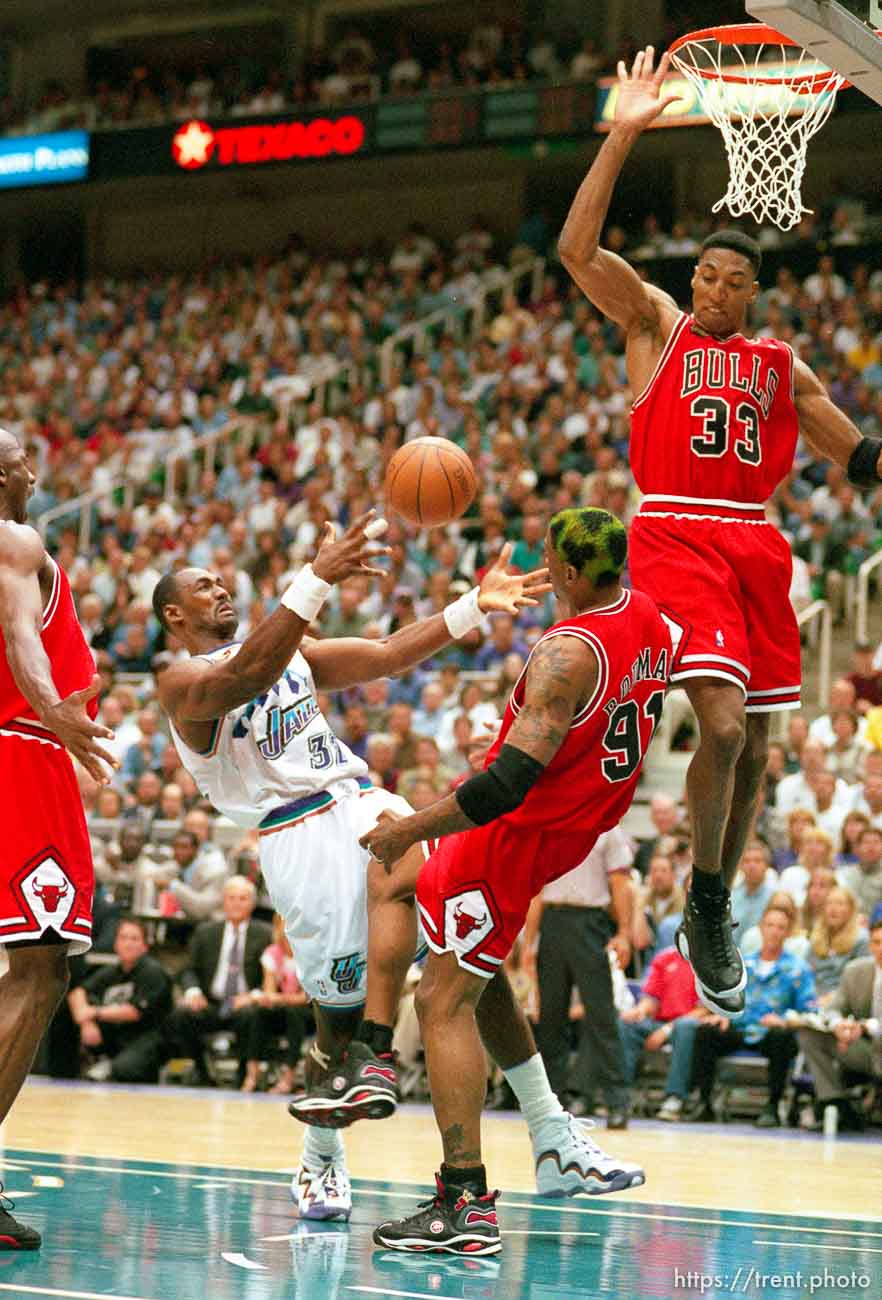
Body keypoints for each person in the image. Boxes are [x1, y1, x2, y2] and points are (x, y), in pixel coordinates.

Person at [557, 46, 882, 1017]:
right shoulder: (656, 326)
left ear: (751, 291)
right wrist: (622, 132)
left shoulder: (784, 366)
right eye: (701, 272)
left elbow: (857, 456)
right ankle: (704, 893)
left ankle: (711, 897)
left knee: (762, 755)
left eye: (728, 278)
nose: (709, 287)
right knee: (726, 727)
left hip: (754, 542)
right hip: (671, 535)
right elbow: (577, 252)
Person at [153, 510, 551, 1223]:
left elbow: (388, 652)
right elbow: (247, 672)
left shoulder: (290, 652)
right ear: (172, 616)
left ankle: (536, 1120)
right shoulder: (181, 682)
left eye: (221, 580)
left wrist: (470, 605)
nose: (219, 590)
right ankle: (322, 1152)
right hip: (295, 837)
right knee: (329, 1020)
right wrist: (314, 578)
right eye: (201, 587)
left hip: (361, 801)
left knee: (465, 950)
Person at [359, 507, 670, 1255]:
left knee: (440, 998)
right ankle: (550, 1133)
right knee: (470, 962)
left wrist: (409, 827)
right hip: (566, 831)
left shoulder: (566, 653)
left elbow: (502, 784)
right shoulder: (654, 619)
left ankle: (462, 1199)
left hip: (506, 837)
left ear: (564, 574)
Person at [0, 429, 120, 1251]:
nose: (34, 470)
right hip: (22, 754)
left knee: (40, 968)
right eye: (19, 459)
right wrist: (53, 712)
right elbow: (20, 633)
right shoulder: (15, 538)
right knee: (41, 967)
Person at [526, 826, 635, 1129]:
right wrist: (529, 940)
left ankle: (618, 1100)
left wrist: (625, 933)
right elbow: (536, 888)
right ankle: (551, 1102)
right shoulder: (551, 824)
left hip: (590, 922)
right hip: (551, 921)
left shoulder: (609, 828)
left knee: (601, 1016)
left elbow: (621, 883)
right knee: (550, 1019)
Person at [688, 906, 816, 1128]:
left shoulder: (798, 969)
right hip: (741, 1027)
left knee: (781, 1038)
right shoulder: (740, 964)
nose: (775, 932)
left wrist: (785, 1020)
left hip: (772, 1032)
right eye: (770, 925)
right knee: (706, 1031)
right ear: (761, 929)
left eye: (781, 927)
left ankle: (772, 1107)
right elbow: (726, 997)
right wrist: (722, 1015)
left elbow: (810, 1011)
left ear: (788, 933)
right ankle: (704, 1101)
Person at [163, 876, 272, 1086]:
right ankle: (201, 1070)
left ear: (252, 903)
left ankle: (244, 1074)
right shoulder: (206, 932)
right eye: (232, 898)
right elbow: (187, 970)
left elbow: (273, 975)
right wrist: (193, 992)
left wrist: (254, 995)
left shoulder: (265, 934)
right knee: (183, 1014)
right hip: (211, 1003)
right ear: (224, 901)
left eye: (243, 898)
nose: (236, 903)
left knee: (254, 1014)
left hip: (245, 1004)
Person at [797, 919, 882, 1132]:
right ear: (870, 945)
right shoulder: (855, 971)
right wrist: (839, 1026)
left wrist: (863, 1027)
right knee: (809, 1034)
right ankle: (834, 1102)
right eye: (877, 942)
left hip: (872, 1041)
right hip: (865, 1050)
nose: (881, 948)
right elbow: (833, 1008)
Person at [68, 917, 172, 1083]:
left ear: (145, 946)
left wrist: (93, 1013)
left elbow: (134, 1012)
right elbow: (77, 992)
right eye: (123, 938)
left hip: (147, 1039)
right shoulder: (113, 971)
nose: (128, 944)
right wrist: (86, 1023)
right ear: (115, 943)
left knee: (124, 1069)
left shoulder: (153, 972)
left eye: (134, 938)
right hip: (115, 1037)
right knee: (63, 1016)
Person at [619, 945, 702, 1121]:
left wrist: (667, 1030)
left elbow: (706, 1009)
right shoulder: (665, 957)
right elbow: (651, 998)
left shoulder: (709, 962)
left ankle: (675, 1098)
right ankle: (621, 1094)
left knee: (685, 1027)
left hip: (691, 1023)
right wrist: (640, 1010)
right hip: (659, 1021)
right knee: (627, 1025)